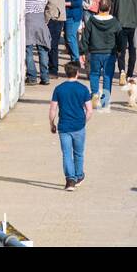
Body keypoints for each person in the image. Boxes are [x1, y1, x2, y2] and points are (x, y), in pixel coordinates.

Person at [50, 62, 92, 190]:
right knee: (78, 153)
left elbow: (53, 109)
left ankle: (70, 180)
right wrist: (84, 121)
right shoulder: (83, 89)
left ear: (66, 73)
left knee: (67, 154)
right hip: (79, 126)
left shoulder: (59, 89)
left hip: (64, 126)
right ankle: (79, 176)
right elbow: (89, 110)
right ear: (77, 73)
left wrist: (52, 123)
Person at [79, 0, 121, 111]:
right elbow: (120, 38)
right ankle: (105, 101)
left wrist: (82, 51)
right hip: (109, 53)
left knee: (94, 74)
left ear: (98, 7)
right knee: (107, 76)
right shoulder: (115, 22)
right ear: (110, 8)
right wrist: (120, 49)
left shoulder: (91, 21)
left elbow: (85, 37)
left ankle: (94, 95)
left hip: (95, 52)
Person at [24, 0, 51, 85]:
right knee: (42, 49)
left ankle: (32, 76)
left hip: (27, 19)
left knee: (28, 49)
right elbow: (45, 3)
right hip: (40, 18)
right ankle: (45, 77)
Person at [42, 0, 66, 77]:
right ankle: (51, 68)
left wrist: (47, 19)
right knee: (50, 44)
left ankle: (53, 70)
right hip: (53, 16)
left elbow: (52, 1)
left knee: (53, 45)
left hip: (54, 18)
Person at [61, 0, 85, 67]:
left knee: (71, 37)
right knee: (69, 37)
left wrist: (66, 3)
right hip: (67, 15)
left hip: (74, 15)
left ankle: (76, 59)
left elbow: (79, 2)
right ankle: (73, 58)